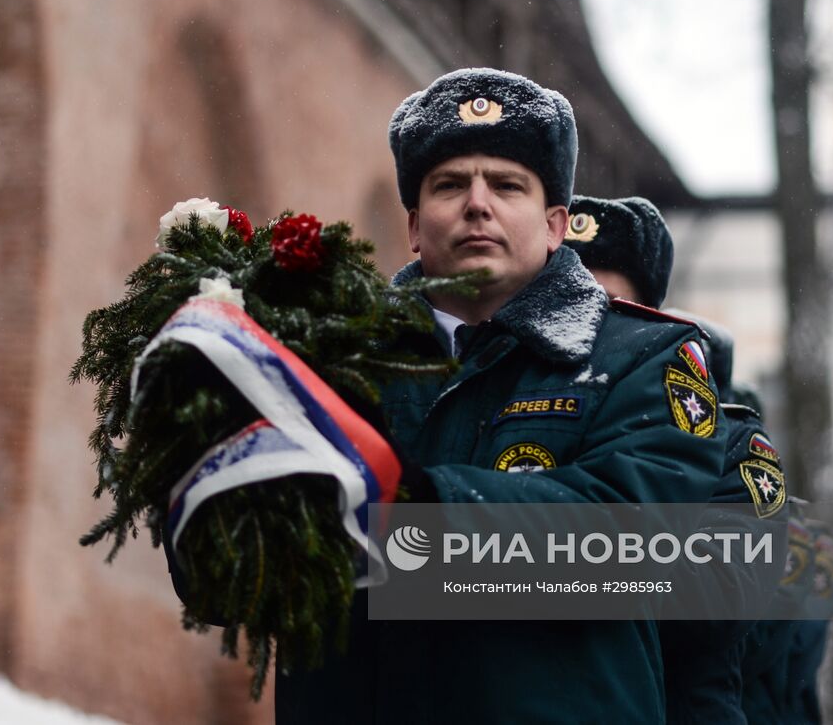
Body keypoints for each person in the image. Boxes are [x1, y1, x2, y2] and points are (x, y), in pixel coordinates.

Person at [272, 68, 728, 724]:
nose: (477, 204)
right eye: (450, 185)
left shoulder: (643, 358)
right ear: (414, 227)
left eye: (507, 185)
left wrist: (417, 513)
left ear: (554, 225)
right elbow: (252, 568)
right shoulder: (337, 364)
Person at [562, 195, 788, 724]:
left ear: (651, 322)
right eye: (568, 305)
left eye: (612, 308)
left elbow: (720, 595)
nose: (588, 331)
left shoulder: (731, 439)